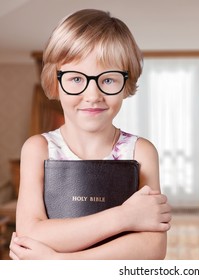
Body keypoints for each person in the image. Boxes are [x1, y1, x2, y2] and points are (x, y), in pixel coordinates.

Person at [9, 9, 172, 260]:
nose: (93, 95)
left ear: (126, 84)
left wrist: (60, 263)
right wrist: (125, 216)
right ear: (56, 82)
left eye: (108, 80)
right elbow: (31, 233)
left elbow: (152, 249)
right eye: (76, 79)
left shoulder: (141, 152)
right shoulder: (38, 148)